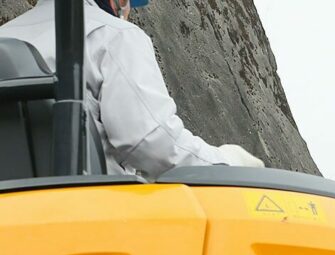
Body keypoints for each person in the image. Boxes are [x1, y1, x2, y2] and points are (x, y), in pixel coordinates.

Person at [0, 0, 263, 179]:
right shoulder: (113, 34)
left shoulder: (6, 37)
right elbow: (152, 143)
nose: (127, 9)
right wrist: (228, 163)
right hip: (85, 216)